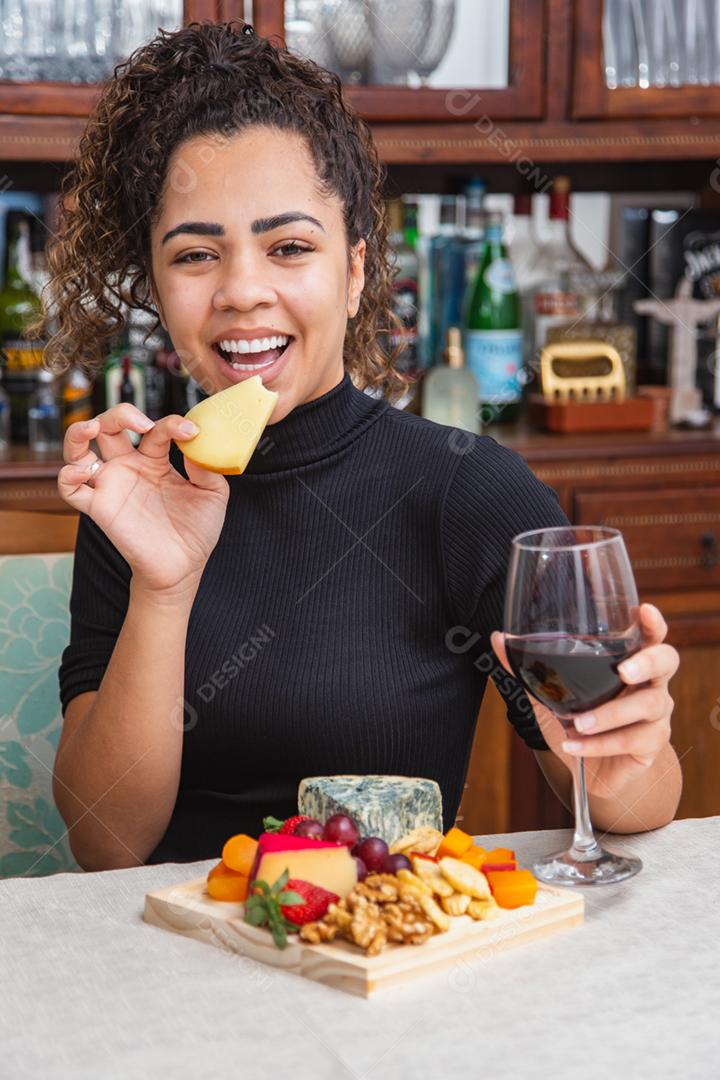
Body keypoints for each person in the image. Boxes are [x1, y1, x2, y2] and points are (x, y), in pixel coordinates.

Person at [36, 22, 681, 870]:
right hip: (180, 971)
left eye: (291, 247)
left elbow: (630, 804)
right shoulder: (133, 496)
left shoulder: (464, 490)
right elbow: (107, 846)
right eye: (196, 254)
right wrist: (165, 586)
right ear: (157, 289)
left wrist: (627, 743)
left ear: (353, 273)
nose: (242, 290)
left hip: (389, 964)